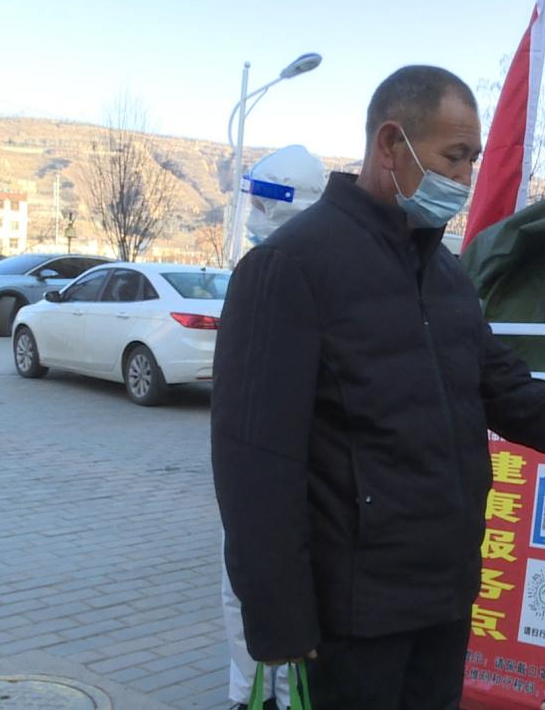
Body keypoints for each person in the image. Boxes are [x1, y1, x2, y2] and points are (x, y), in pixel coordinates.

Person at [211, 65, 545, 710]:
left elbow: (501, 384)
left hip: (444, 594)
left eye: (473, 159)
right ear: (391, 145)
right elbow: (254, 459)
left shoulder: (443, 274)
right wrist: (278, 616)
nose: (466, 178)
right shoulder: (290, 266)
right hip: (351, 613)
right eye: (455, 157)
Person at [219, 144, 327, 710]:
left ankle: (280, 695)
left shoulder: (313, 271)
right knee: (242, 592)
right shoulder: (262, 269)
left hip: (299, 481)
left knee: (280, 595)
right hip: (255, 477)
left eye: (266, 205)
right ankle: (249, 693)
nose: (255, 217)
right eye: (253, 204)